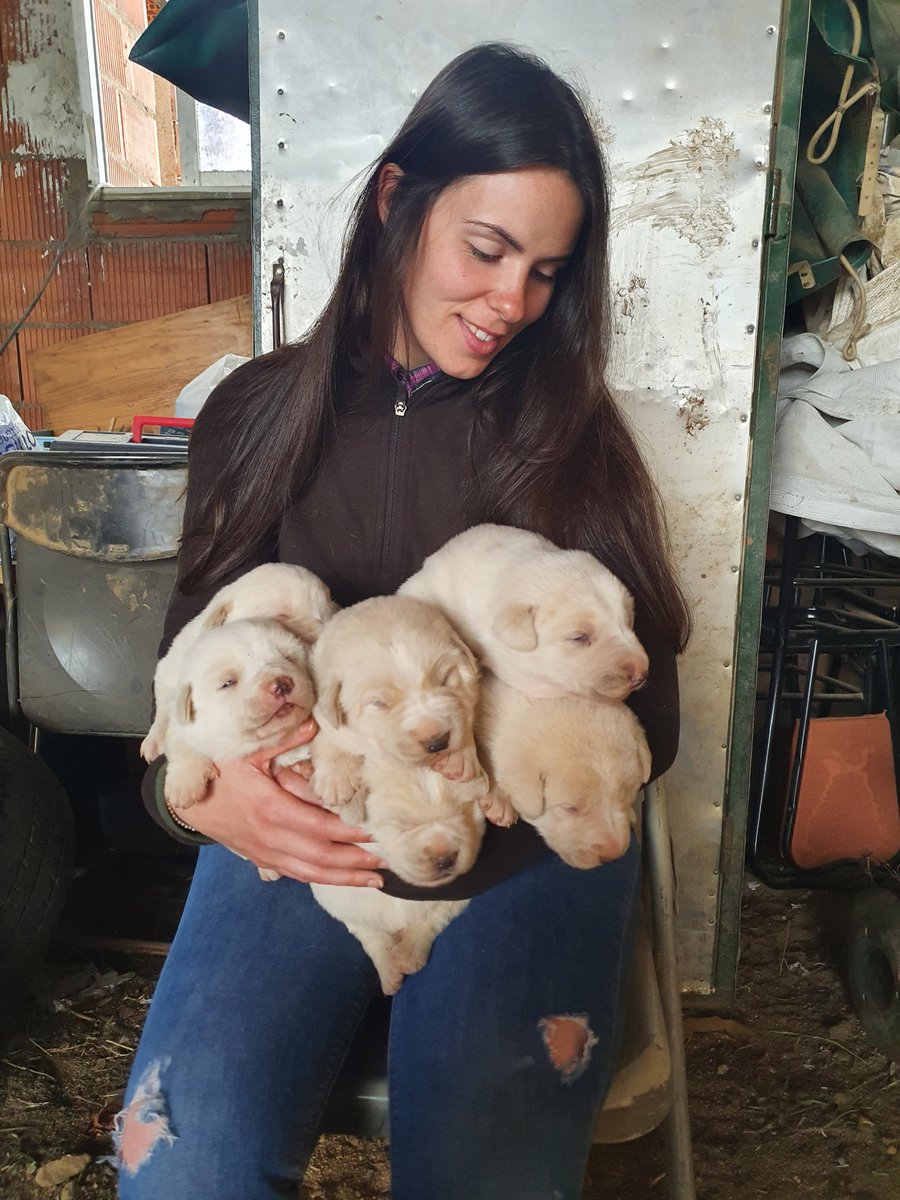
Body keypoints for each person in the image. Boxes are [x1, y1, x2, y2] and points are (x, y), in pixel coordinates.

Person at [116, 41, 691, 1200]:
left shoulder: (572, 437)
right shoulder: (256, 412)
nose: (513, 303)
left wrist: (503, 794)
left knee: (485, 1172)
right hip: (304, 833)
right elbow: (189, 660)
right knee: (186, 1167)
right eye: (487, 250)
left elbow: (651, 713)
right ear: (396, 199)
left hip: (516, 845)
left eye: (545, 271)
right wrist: (211, 797)